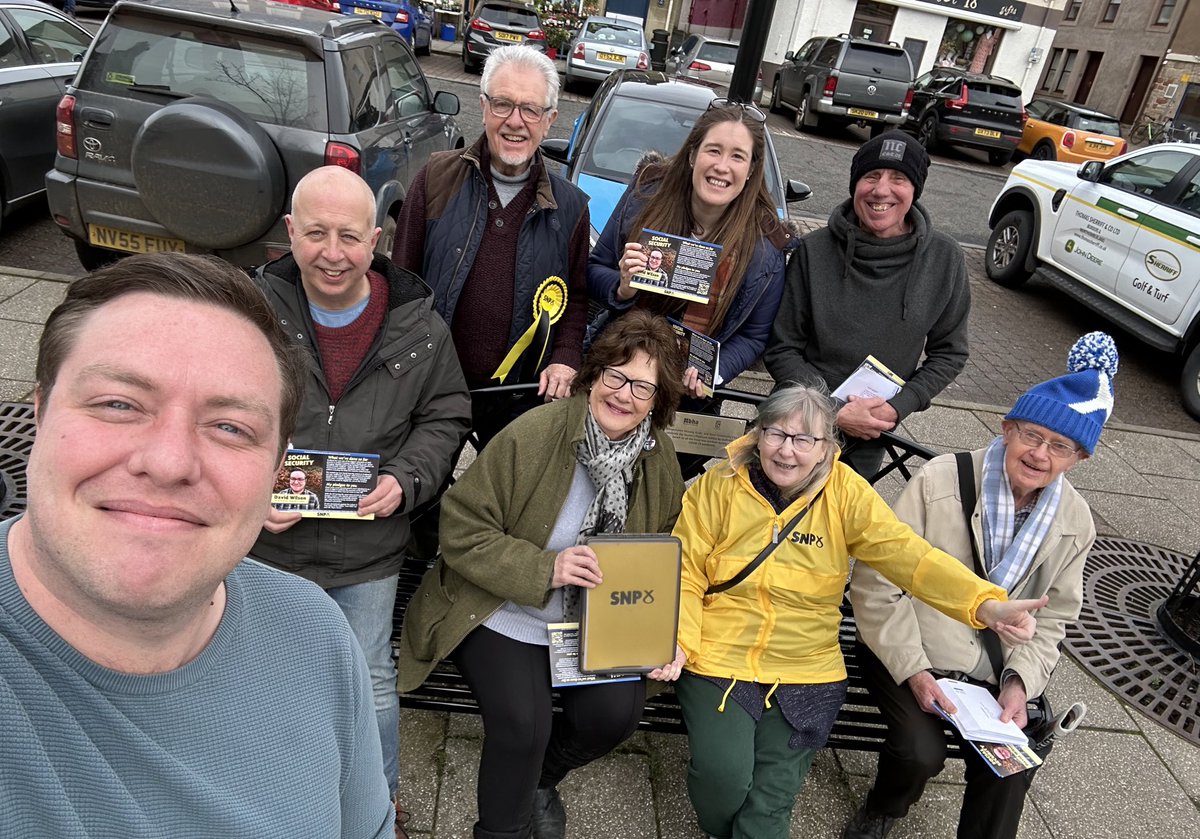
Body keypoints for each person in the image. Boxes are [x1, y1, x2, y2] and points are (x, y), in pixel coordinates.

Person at [0, 252, 394, 837]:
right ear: (40, 412)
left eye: (230, 427)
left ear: (276, 472)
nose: (168, 462)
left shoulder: (316, 635)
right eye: (118, 404)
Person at [652, 383, 1050, 839]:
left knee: (768, 804)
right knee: (721, 784)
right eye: (776, 435)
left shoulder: (845, 493)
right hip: (717, 654)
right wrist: (680, 639)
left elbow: (910, 557)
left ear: (827, 448)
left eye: (805, 440)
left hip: (807, 667)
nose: (787, 451)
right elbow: (683, 570)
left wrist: (985, 603)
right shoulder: (717, 486)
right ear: (757, 435)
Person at [397, 310, 687, 839]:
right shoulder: (535, 434)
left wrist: (661, 633)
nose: (622, 395)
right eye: (614, 376)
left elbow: (663, 545)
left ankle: (537, 782)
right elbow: (460, 528)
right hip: (500, 607)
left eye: (642, 387)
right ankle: (502, 830)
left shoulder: (658, 456)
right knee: (524, 727)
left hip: (592, 623)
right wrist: (545, 567)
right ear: (593, 375)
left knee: (615, 715)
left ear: (658, 401)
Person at [250, 166, 470, 830]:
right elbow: (211, 409)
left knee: (371, 683)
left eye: (350, 235)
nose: (333, 252)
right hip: (265, 544)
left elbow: (447, 414)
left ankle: (377, 807)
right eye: (315, 232)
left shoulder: (420, 327)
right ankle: (265, 796)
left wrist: (405, 479)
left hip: (366, 551)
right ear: (291, 232)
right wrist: (251, 482)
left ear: (377, 239)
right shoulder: (251, 312)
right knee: (256, 678)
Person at [844, 333, 1117, 839]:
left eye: (1060, 446)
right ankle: (884, 808)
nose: (1040, 454)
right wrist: (915, 672)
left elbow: (1053, 619)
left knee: (1014, 764)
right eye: (1032, 436)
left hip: (991, 667)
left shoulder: (1076, 521)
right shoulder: (943, 479)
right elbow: (878, 580)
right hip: (910, 648)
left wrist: (1018, 685)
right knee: (919, 750)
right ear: (1006, 428)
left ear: (1078, 458)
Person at [391, 44, 590, 445]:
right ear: (482, 107)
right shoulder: (435, 180)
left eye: (530, 109)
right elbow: (401, 283)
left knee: (505, 507)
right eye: (502, 104)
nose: (515, 121)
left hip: (517, 396)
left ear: (549, 120)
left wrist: (567, 358)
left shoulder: (571, 207)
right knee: (421, 497)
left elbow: (577, 299)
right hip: (435, 388)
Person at [763, 129, 969, 478]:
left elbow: (950, 352)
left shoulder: (945, 259)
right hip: (795, 418)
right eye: (871, 176)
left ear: (915, 190)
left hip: (871, 430)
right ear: (854, 184)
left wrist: (900, 406)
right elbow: (781, 347)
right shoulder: (814, 250)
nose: (882, 190)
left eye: (898, 179)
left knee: (840, 528)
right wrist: (831, 409)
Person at [589, 100, 793, 398]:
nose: (722, 166)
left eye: (738, 157)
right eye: (714, 150)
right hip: (616, 373)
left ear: (751, 170)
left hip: (687, 397)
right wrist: (621, 288)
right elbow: (595, 269)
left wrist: (714, 371)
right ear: (692, 154)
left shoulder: (767, 245)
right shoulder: (645, 196)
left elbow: (754, 336)